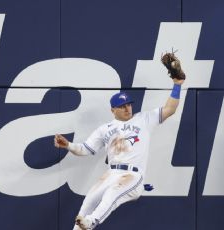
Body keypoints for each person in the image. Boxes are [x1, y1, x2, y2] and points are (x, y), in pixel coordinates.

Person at [54, 77, 184, 230]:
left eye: (128, 104)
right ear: (113, 110)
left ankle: (93, 221)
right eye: (122, 106)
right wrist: (68, 145)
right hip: (111, 174)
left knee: (110, 196)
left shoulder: (143, 119)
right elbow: (85, 149)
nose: (127, 108)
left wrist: (177, 85)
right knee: (87, 203)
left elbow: (170, 109)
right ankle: (84, 223)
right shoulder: (105, 128)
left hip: (132, 175)